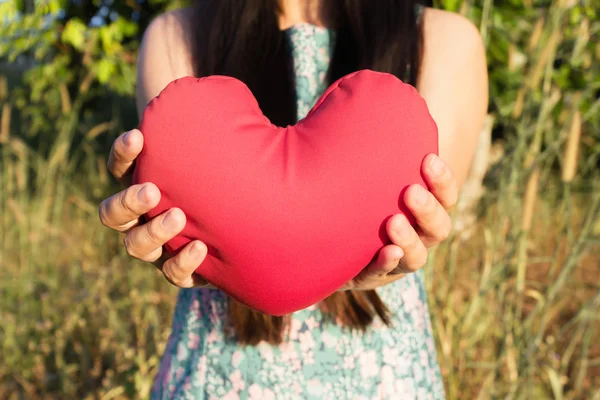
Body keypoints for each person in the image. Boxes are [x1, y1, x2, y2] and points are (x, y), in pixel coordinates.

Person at [99, 0, 488, 398]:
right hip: (217, 377)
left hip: (382, 379)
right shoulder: (174, 35)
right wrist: (155, 222)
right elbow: (179, 203)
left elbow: (417, 221)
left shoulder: (445, 40)